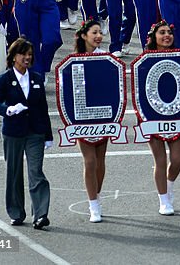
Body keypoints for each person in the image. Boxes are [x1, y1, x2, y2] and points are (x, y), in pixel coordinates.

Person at [0, 38, 52, 229]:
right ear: (14, 56)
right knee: (14, 173)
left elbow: (43, 108)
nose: (27, 58)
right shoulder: (4, 79)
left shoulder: (37, 79)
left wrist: (48, 135)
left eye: (30, 54)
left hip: (35, 133)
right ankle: (16, 213)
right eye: (24, 54)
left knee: (36, 172)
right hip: (13, 132)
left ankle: (40, 215)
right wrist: (8, 109)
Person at [144, 21, 180, 216]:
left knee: (177, 160)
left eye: (169, 32)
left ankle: (169, 187)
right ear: (153, 37)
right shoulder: (144, 60)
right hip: (153, 116)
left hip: (177, 114)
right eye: (162, 33)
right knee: (160, 160)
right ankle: (163, 200)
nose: (167, 35)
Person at [72, 21, 109, 223]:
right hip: (82, 116)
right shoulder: (73, 60)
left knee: (101, 162)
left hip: (102, 114)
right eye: (94, 32)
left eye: (100, 32)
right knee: (90, 161)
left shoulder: (105, 58)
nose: (98, 36)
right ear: (84, 35)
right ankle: (93, 204)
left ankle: (97, 196)